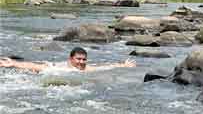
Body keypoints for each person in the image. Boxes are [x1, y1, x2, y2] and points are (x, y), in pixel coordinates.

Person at [0, 47, 136, 73]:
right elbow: (36, 66)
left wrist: (122, 65)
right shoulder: (62, 67)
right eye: (78, 59)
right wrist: (13, 63)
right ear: (71, 59)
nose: (81, 62)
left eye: (84, 59)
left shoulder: (88, 69)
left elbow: (106, 66)